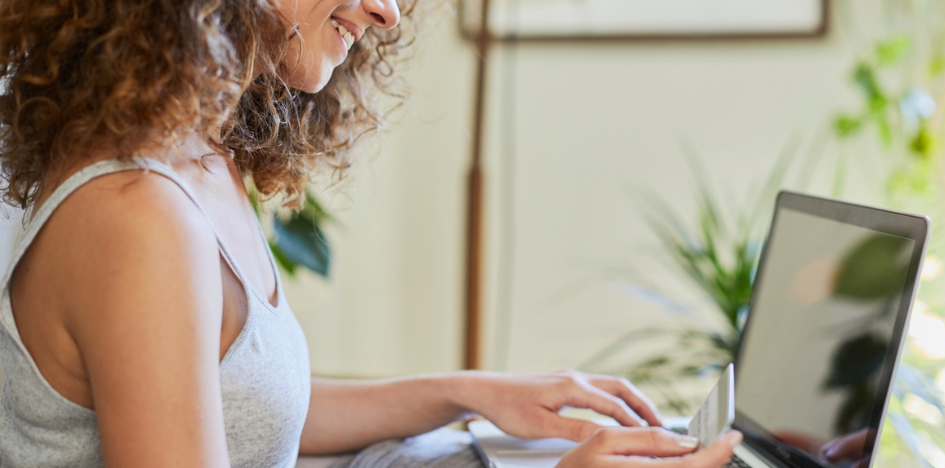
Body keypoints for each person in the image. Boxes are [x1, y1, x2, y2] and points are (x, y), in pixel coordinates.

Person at [0, 1, 742, 467]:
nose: (387, 12)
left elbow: (242, 408)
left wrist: (470, 394)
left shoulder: (196, 155)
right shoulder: (139, 215)